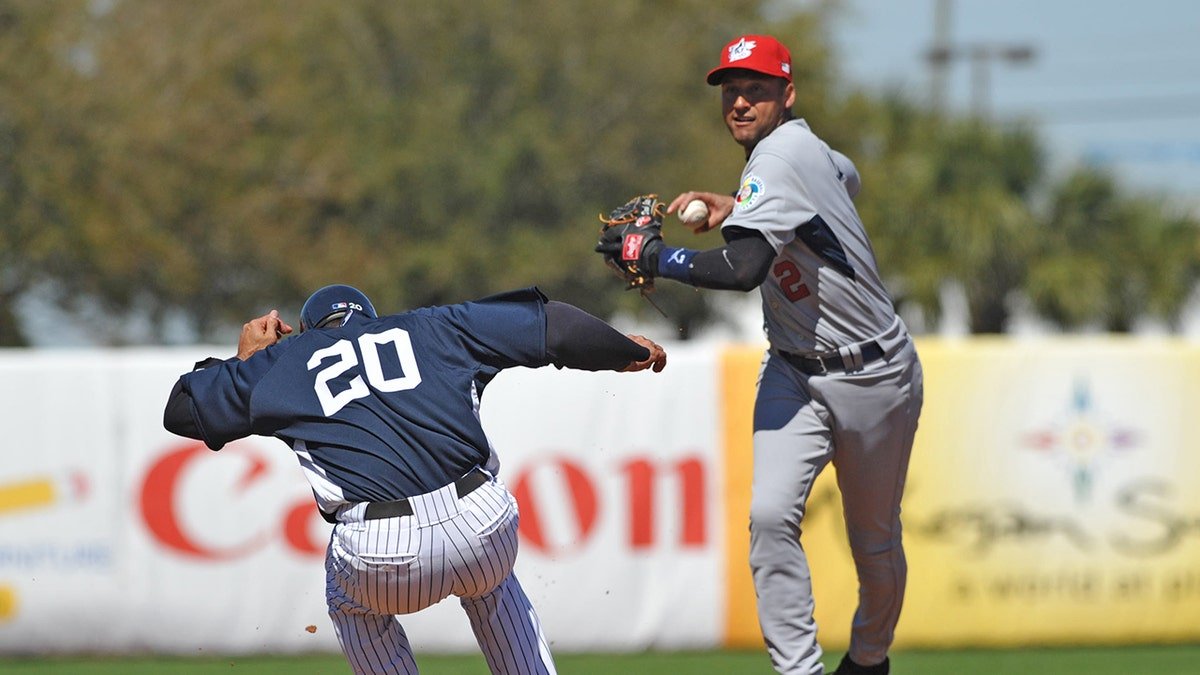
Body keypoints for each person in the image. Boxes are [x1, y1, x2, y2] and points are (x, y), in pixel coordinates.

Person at [595, 35, 923, 675]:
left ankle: (869, 659)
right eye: (731, 89)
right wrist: (739, 207)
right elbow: (844, 175)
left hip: (875, 374)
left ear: (787, 94)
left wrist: (656, 257)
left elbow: (744, 270)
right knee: (771, 517)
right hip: (795, 371)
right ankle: (797, 669)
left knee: (874, 544)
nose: (741, 102)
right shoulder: (798, 152)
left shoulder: (777, 160)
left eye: (758, 89)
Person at [162, 284, 667, 675]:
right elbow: (552, 324)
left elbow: (182, 411)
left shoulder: (283, 363)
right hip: (482, 522)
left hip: (380, 550)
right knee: (492, 586)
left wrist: (245, 361)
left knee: (353, 608)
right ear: (372, 320)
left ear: (312, 330)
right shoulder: (432, 326)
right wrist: (622, 350)